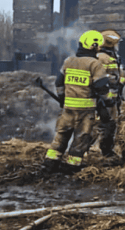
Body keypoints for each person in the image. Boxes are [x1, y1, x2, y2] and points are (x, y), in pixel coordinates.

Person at [45, 30, 112, 171]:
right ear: (96, 46)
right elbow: (101, 87)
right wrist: (108, 102)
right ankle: (71, 167)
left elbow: (59, 83)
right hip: (85, 111)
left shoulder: (69, 61)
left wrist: (63, 99)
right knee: (81, 139)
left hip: (68, 108)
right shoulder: (95, 64)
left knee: (61, 136)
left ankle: (50, 163)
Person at [95, 29, 125, 162]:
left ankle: (98, 149)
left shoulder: (102, 56)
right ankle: (105, 151)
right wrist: (122, 80)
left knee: (103, 124)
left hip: (106, 97)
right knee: (107, 124)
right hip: (107, 98)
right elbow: (112, 79)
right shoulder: (106, 59)